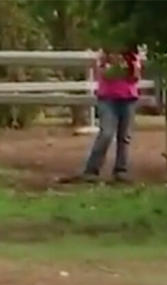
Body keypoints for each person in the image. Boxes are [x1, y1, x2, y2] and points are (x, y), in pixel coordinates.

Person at [61, 44, 141, 184]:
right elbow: (103, 73)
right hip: (108, 98)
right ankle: (91, 170)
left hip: (128, 97)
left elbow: (135, 77)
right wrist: (116, 67)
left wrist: (129, 67)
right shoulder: (104, 56)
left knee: (125, 136)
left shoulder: (132, 56)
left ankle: (121, 170)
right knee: (106, 133)